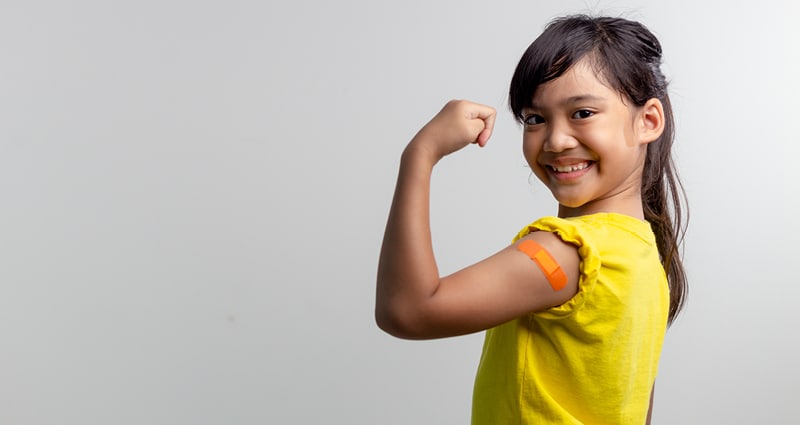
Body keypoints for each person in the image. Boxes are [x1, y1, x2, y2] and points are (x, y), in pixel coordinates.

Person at [375, 14, 687, 425]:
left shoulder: (567, 254)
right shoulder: (645, 256)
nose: (556, 141)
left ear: (648, 121)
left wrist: (420, 154)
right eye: (535, 119)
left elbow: (406, 311)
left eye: (582, 113)